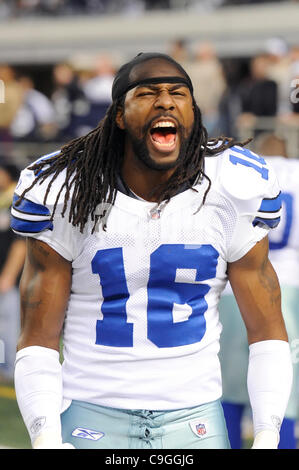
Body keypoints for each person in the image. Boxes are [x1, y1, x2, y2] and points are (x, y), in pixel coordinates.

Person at [11, 52, 292, 450]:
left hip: (195, 415)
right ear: (120, 116)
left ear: (192, 112)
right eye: (147, 93)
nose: (165, 101)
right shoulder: (67, 193)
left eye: (178, 92)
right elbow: (37, 338)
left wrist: (267, 433)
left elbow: (266, 333)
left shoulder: (232, 187)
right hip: (93, 410)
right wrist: (44, 436)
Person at [219, 133, 299, 449]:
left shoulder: (241, 173)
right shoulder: (294, 171)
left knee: (230, 382)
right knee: (284, 383)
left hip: (235, 288)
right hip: (288, 286)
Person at [0, 159, 25, 383]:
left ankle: (12, 370)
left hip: (11, 280)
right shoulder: (2, 202)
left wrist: (8, 276)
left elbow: (20, 244)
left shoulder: (16, 201)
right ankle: (2, 368)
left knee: (9, 326)